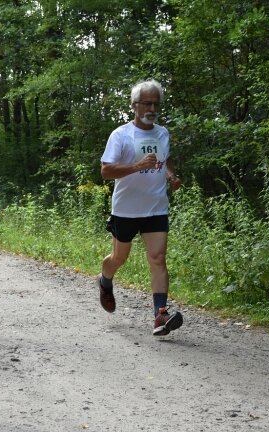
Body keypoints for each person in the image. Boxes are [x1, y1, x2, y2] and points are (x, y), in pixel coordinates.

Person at [96, 79, 183, 336]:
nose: (152, 107)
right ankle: (105, 280)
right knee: (118, 259)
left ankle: (160, 314)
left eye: (156, 103)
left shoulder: (163, 133)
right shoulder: (121, 135)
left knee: (157, 258)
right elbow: (105, 171)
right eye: (147, 102)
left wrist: (171, 176)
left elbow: (165, 160)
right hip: (127, 209)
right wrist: (136, 166)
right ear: (134, 105)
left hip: (156, 206)